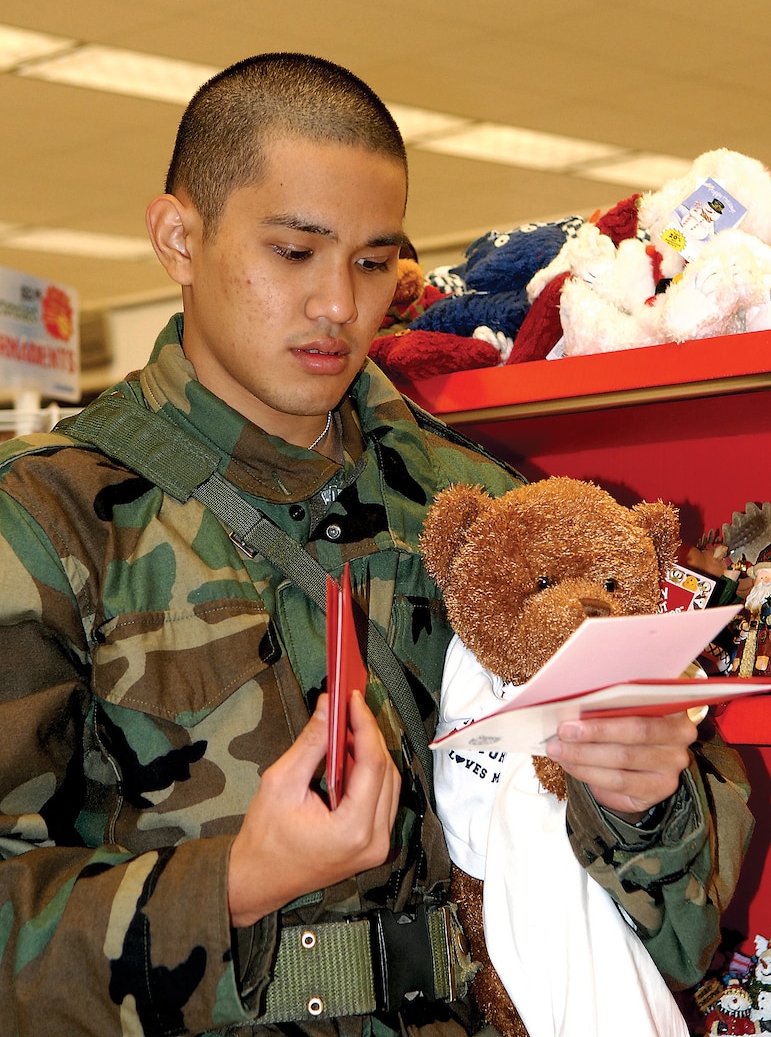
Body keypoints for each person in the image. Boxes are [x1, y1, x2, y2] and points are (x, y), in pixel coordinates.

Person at [0, 52, 753, 1037]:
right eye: (293, 253)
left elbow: (680, 936)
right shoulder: (48, 516)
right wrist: (231, 885)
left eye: (369, 261)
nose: (337, 306)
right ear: (178, 236)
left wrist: (644, 798)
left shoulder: (482, 505)